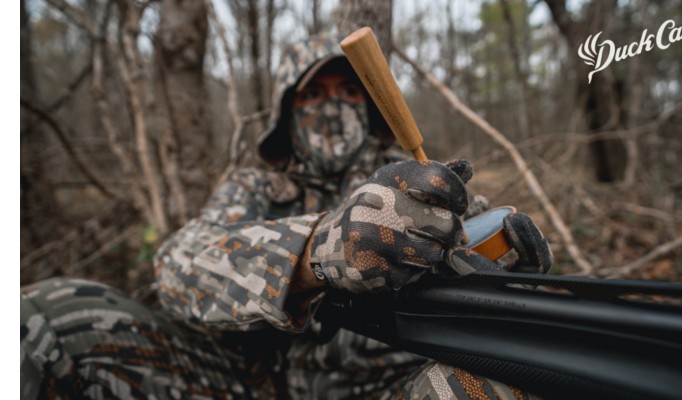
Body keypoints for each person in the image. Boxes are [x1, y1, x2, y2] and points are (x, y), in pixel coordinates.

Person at [21, 35, 551, 399]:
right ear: (288, 114)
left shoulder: (419, 195)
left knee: (513, 378)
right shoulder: (255, 188)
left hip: (383, 388)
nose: (332, 106)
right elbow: (179, 266)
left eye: (349, 93)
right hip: (248, 384)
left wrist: (510, 278)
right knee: (47, 317)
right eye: (313, 94)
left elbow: (493, 284)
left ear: (369, 111)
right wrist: (321, 248)